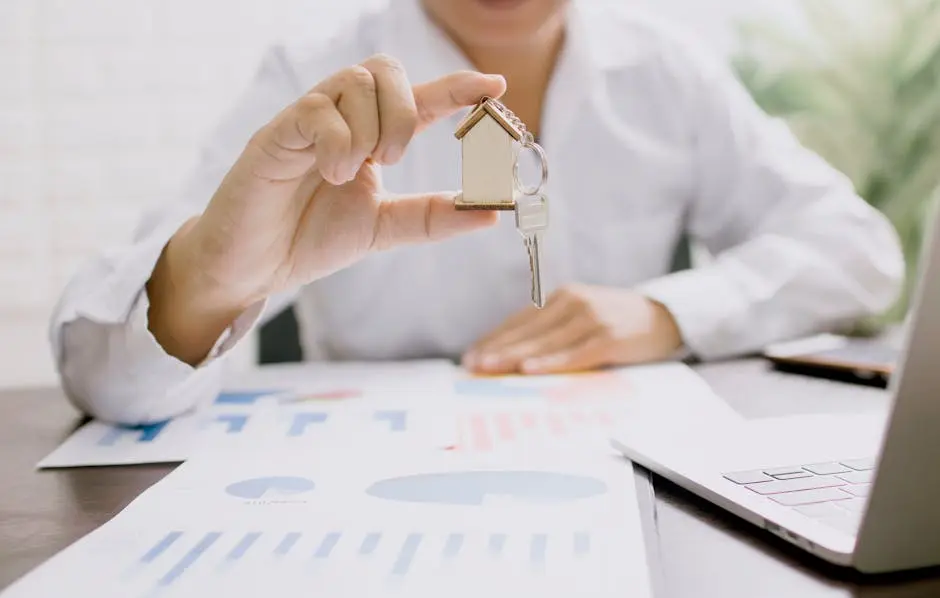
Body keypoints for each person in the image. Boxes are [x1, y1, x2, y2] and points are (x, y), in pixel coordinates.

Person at [50, 0, 904, 425]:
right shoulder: (307, 77)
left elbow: (859, 247)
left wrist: (668, 310)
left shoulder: (670, 70)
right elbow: (105, 372)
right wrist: (216, 276)